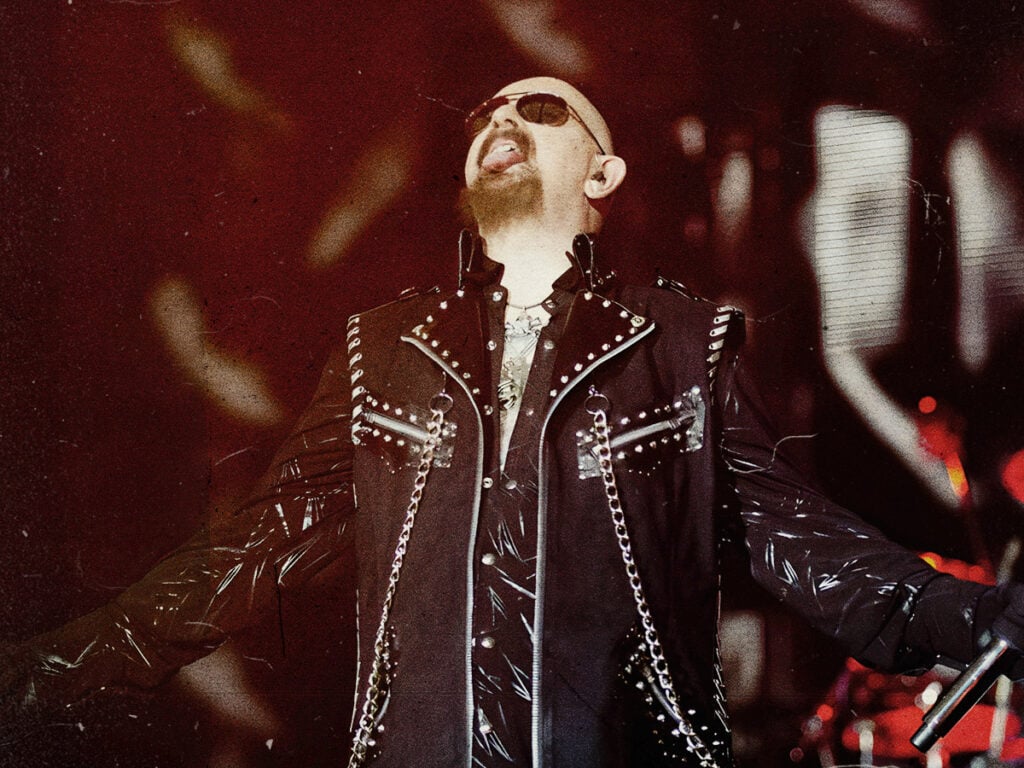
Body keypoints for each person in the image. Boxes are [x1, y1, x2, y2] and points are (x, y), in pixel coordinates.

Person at [2, 76, 1022, 768]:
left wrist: (980, 622)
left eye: (538, 109)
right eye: (484, 116)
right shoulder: (383, 350)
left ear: (602, 177)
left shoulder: (676, 350)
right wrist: (41, 675)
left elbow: (800, 543)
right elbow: (253, 551)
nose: (500, 121)